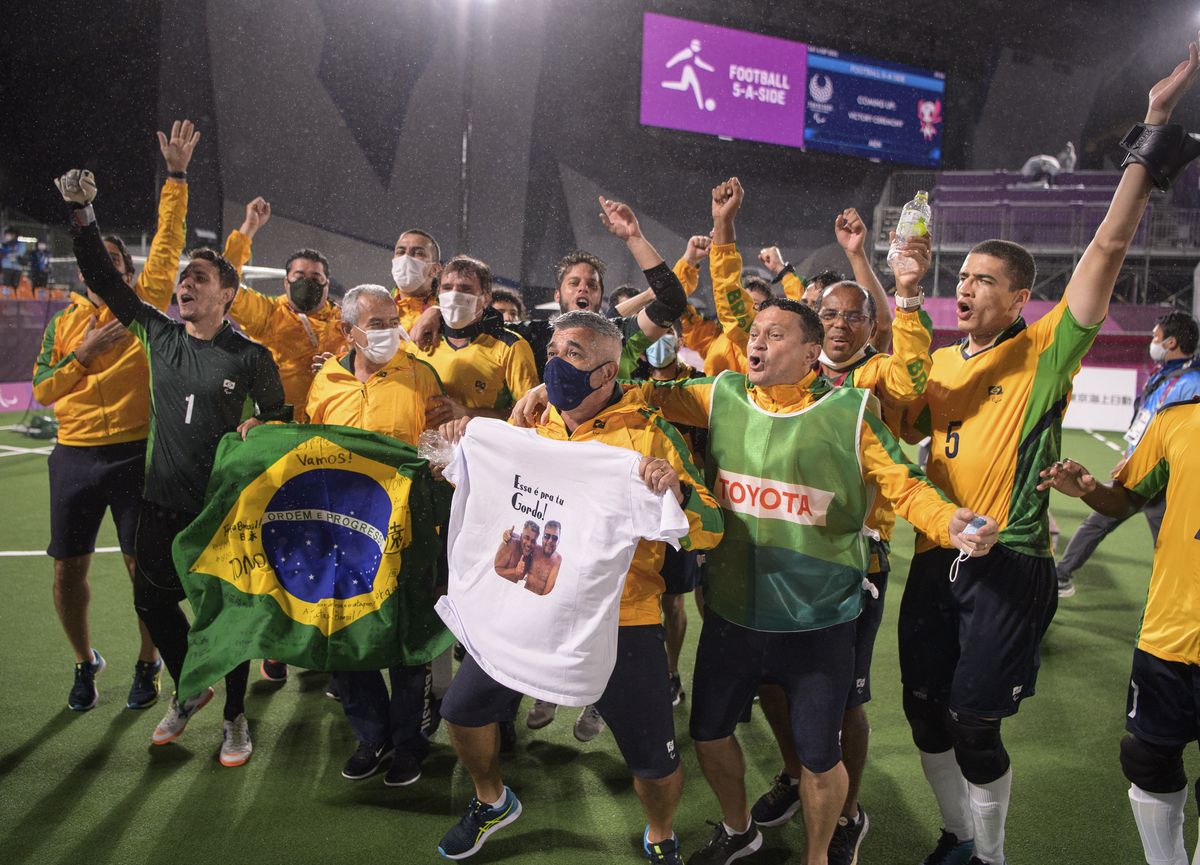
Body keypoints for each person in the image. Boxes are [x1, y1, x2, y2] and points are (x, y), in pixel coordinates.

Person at [896, 44, 1200, 865]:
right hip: (934, 556)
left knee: (973, 721)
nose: (965, 286)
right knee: (922, 712)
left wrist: (1154, 127)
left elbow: (1105, 247)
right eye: (961, 275)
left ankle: (990, 856)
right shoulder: (938, 361)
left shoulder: (1044, 350)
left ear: (1019, 296)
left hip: (1012, 561)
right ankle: (957, 834)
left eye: (984, 278)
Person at [631, 177, 992, 865]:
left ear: (808, 347)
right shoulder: (726, 391)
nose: (756, 341)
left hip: (823, 611)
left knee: (830, 735)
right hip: (734, 611)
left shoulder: (855, 402)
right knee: (712, 730)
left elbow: (907, 484)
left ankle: (826, 843)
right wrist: (563, 392)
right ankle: (743, 828)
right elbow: (642, 390)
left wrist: (953, 524)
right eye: (755, 335)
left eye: (774, 334)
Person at [436, 310, 723, 865]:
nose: (555, 364)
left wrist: (680, 495)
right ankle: (491, 800)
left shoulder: (648, 434)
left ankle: (660, 832)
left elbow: (710, 528)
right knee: (463, 710)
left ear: (607, 372)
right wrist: (455, 441)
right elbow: (466, 470)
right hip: (525, 601)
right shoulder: (529, 420)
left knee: (653, 759)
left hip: (623, 617)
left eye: (573, 356)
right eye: (554, 351)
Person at [59, 164, 289, 768]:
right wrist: (84, 214)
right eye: (183, 277)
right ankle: (191, 688)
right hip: (160, 504)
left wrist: (263, 425)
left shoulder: (252, 355)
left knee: (228, 618)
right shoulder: (160, 335)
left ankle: (235, 719)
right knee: (150, 602)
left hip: (221, 509)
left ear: (227, 294)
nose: (185, 285)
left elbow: (279, 415)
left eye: (198, 278)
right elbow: (108, 283)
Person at [748, 225, 935, 864]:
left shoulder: (879, 374)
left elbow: (913, 384)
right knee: (772, 680)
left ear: (869, 327)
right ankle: (800, 774)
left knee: (846, 693)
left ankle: (848, 809)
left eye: (854, 317)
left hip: (859, 557)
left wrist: (901, 293)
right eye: (828, 313)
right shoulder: (790, 372)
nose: (839, 325)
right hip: (780, 552)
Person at [32, 120, 198, 712]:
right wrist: (81, 358)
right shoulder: (63, 326)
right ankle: (84, 663)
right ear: (83, 271)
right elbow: (45, 391)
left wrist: (176, 176)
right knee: (65, 574)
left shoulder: (143, 305)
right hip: (74, 457)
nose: (100, 270)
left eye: (111, 262)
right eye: (92, 262)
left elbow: (169, 240)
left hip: (135, 453)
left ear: (126, 272)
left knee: (142, 573)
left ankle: (147, 663)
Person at [1036, 397, 1200, 865]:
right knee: (1146, 760)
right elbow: (1126, 498)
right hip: (1167, 632)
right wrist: (1089, 489)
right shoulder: (1178, 419)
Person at [306, 283, 448, 786]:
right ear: (348, 332)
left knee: (406, 641)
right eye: (378, 323)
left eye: (394, 321)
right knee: (346, 637)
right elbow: (309, 450)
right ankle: (371, 735)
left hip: (405, 535)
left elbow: (440, 449)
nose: (390, 332)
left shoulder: (421, 376)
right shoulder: (324, 380)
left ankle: (409, 743)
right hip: (341, 538)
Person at [409, 206, 688, 378]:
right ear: (557, 296)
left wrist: (634, 239)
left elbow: (671, 301)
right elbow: (472, 321)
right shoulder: (532, 335)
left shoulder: (621, 334)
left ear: (601, 297)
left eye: (592, 285)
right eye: (573, 283)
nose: (583, 288)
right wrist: (435, 311)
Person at [1055, 311, 1200, 597]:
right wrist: (1131, 454)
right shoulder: (1163, 375)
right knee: (1099, 520)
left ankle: (1183, 594)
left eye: (1155, 337)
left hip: (1164, 481)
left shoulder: (1191, 383)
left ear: (1171, 342)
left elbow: (1181, 436)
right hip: (1141, 473)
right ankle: (1060, 575)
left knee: (1172, 544)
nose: (1152, 342)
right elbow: (1146, 422)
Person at [222, 197, 347, 423]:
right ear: (286, 282)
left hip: (331, 427)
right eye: (299, 276)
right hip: (279, 428)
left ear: (327, 284)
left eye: (315, 277)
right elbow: (224, 284)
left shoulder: (345, 321)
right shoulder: (269, 314)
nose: (307, 282)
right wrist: (248, 229)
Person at [406, 254, 538, 421]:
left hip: (480, 445)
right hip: (421, 445)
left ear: (485, 298)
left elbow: (530, 414)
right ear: (438, 294)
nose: (454, 295)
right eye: (447, 287)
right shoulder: (420, 341)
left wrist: (468, 414)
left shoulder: (511, 346)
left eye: (465, 289)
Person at [391, 228, 444, 331]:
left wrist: (440, 313)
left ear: (435, 269)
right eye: (400, 252)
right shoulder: (376, 310)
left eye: (418, 253)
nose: (406, 258)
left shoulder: (449, 313)